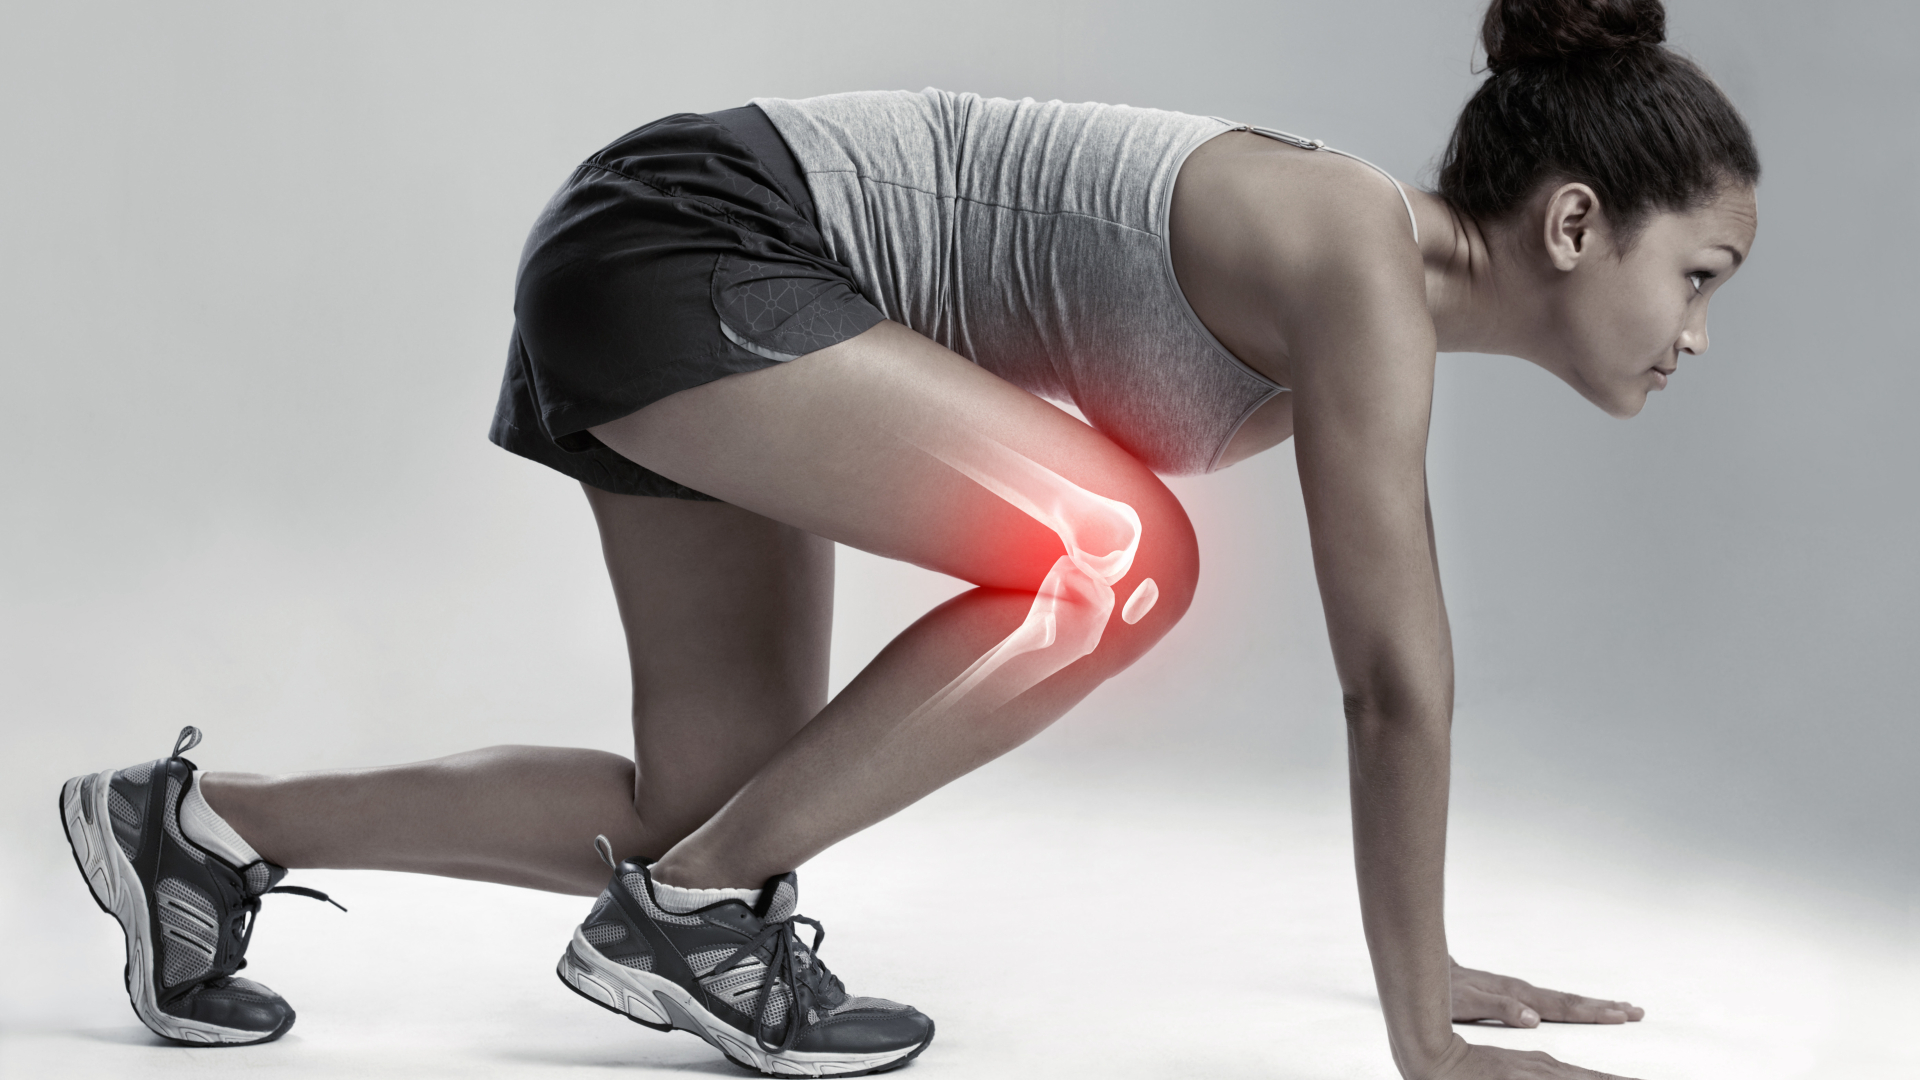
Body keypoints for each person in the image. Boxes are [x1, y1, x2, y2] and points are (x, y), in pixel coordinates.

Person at [58, 0, 1759, 1076]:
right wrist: (1423, 1045)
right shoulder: (1358, 268)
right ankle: (690, 918)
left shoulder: (1356, 331)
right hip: (701, 240)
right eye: (1697, 278)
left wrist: (1432, 969)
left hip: (687, 268)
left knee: (700, 805)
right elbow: (1395, 686)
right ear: (1574, 219)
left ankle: (196, 828)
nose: (1696, 336)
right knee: (1129, 556)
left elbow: (1395, 677)